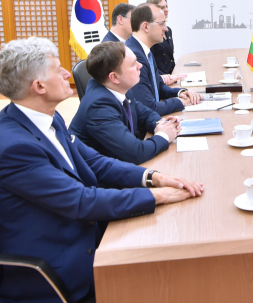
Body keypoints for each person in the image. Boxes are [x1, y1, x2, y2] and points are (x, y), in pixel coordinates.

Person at [0, 37, 204, 303]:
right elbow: (81, 201)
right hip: (57, 265)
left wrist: (154, 178)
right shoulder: (14, 147)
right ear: (39, 86)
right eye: (58, 70)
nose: (67, 74)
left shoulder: (50, 117)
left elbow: (96, 162)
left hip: (84, 230)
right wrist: (160, 196)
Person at [69, 42, 180, 165]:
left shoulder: (119, 88)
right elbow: (136, 153)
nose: (140, 66)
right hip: (100, 178)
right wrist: (164, 135)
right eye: (133, 64)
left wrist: (162, 124)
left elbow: (145, 114)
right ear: (114, 77)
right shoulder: (99, 107)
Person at [126, 3, 203, 116]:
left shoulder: (144, 50)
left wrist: (181, 92)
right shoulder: (134, 57)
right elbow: (150, 107)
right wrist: (180, 102)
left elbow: (158, 85)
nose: (166, 29)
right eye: (162, 24)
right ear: (146, 26)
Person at [147, 0, 182, 85]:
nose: (166, 10)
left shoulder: (168, 30)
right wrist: (163, 77)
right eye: (162, 8)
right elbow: (151, 62)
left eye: (166, 6)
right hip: (162, 79)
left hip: (172, 76)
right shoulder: (152, 34)